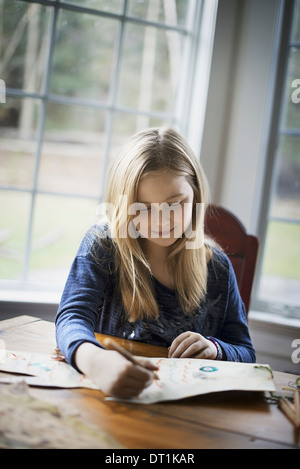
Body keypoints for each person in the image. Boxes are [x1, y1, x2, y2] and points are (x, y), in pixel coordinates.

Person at [55, 127, 255, 399]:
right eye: (144, 208)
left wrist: (216, 349)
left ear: (196, 193)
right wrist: (96, 362)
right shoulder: (103, 245)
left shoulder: (217, 267)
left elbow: (245, 351)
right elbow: (71, 318)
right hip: (109, 401)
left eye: (176, 204)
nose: (161, 221)